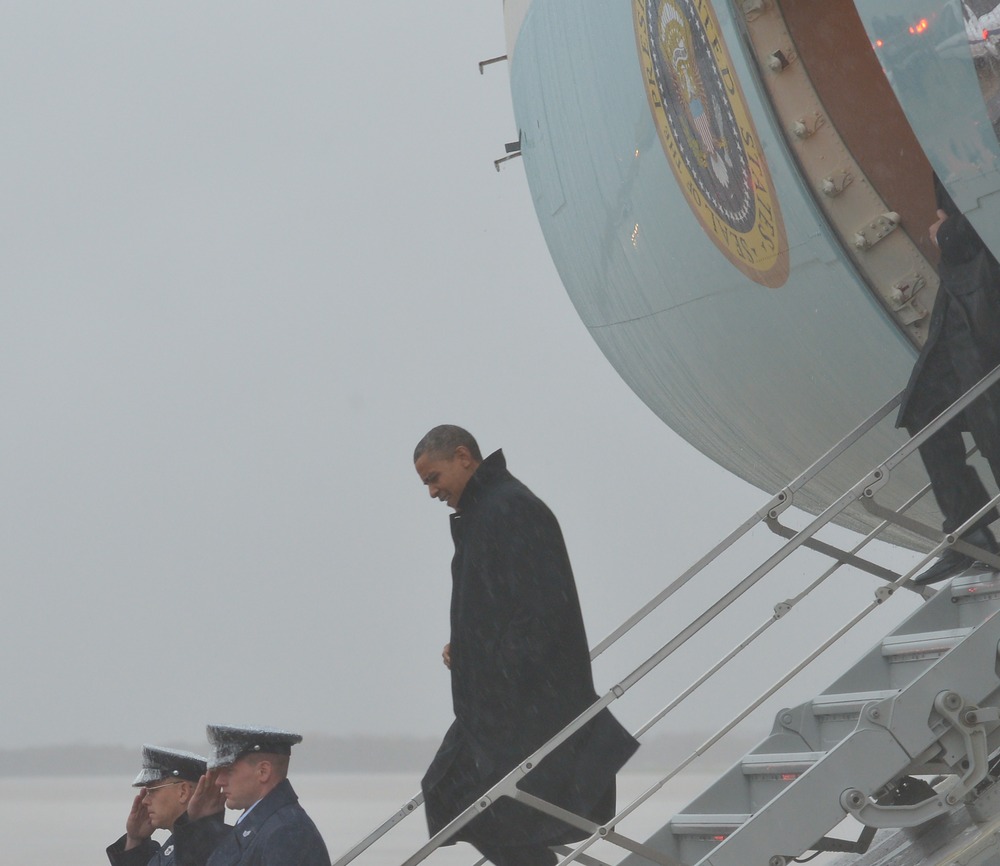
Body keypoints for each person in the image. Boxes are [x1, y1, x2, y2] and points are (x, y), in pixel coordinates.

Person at [413, 425, 639, 866]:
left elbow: (541, 608)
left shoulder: (511, 508)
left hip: (520, 698)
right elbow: (500, 604)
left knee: (469, 798)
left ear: (464, 456)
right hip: (499, 698)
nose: (432, 491)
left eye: (433, 478)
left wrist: (491, 665)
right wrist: (465, 644)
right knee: (456, 794)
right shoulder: (485, 513)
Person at [898, 174, 1000, 584]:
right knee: (926, 407)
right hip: (963, 284)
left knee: (992, 417)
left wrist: (952, 232)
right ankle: (969, 534)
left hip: (986, 281)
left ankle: (970, 535)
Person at [173, 724, 331, 866]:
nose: (219, 781)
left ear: (263, 772)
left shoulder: (287, 833)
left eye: (228, 771)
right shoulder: (262, 826)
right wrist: (200, 825)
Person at [107, 745, 217, 866]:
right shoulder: (182, 846)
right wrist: (134, 840)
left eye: (152, 790)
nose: (145, 801)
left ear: (183, 792)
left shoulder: (209, 850)